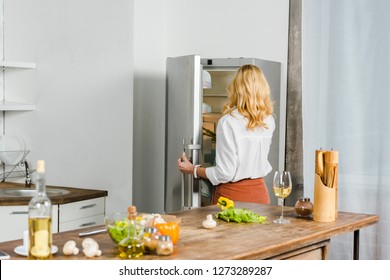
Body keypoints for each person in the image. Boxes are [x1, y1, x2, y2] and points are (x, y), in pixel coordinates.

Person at [177, 64, 275, 204]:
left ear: (236, 88)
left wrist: (193, 170)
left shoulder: (229, 121)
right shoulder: (268, 120)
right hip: (260, 194)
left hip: (233, 198)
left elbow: (225, 173)